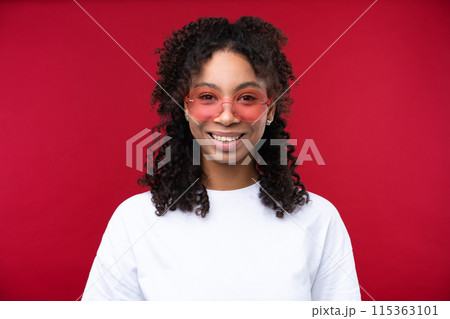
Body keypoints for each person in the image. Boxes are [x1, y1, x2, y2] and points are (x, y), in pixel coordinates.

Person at [81, 16, 361, 301]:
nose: (227, 116)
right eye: (207, 96)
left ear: (271, 107)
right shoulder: (135, 222)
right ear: (185, 106)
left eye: (247, 98)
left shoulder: (318, 220)